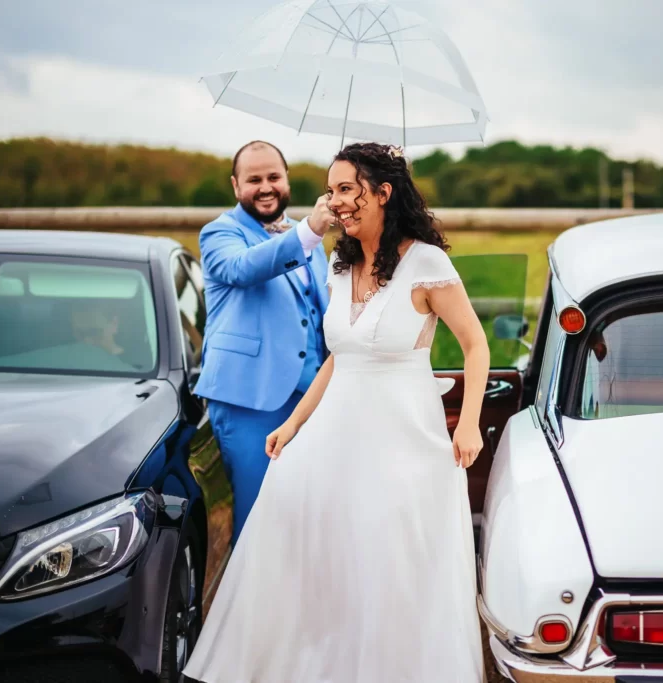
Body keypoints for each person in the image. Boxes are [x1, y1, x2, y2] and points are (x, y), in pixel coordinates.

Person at [183, 142, 489, 683]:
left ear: (382, 193)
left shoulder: (427, 263)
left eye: (347, 188)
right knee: (312, 541)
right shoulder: (338, 261)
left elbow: (475, 346)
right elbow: (337, 360)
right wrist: (293, 424)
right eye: (331, 190)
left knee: (393, 559)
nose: (337, 201)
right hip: (336, 434)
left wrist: (466, 425)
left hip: (405, 436)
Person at [192, 140, 336, 545]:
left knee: (304, 515)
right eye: (254, 179)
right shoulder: (220, 233)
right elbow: (243, 268)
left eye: (274, 176)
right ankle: (247, 609)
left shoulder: (304, 235)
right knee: (258, 519)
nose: (266, 186)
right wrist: (309, 231)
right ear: (236, 185)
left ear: (286, 180)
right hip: (249, 399)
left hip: (311, 399)